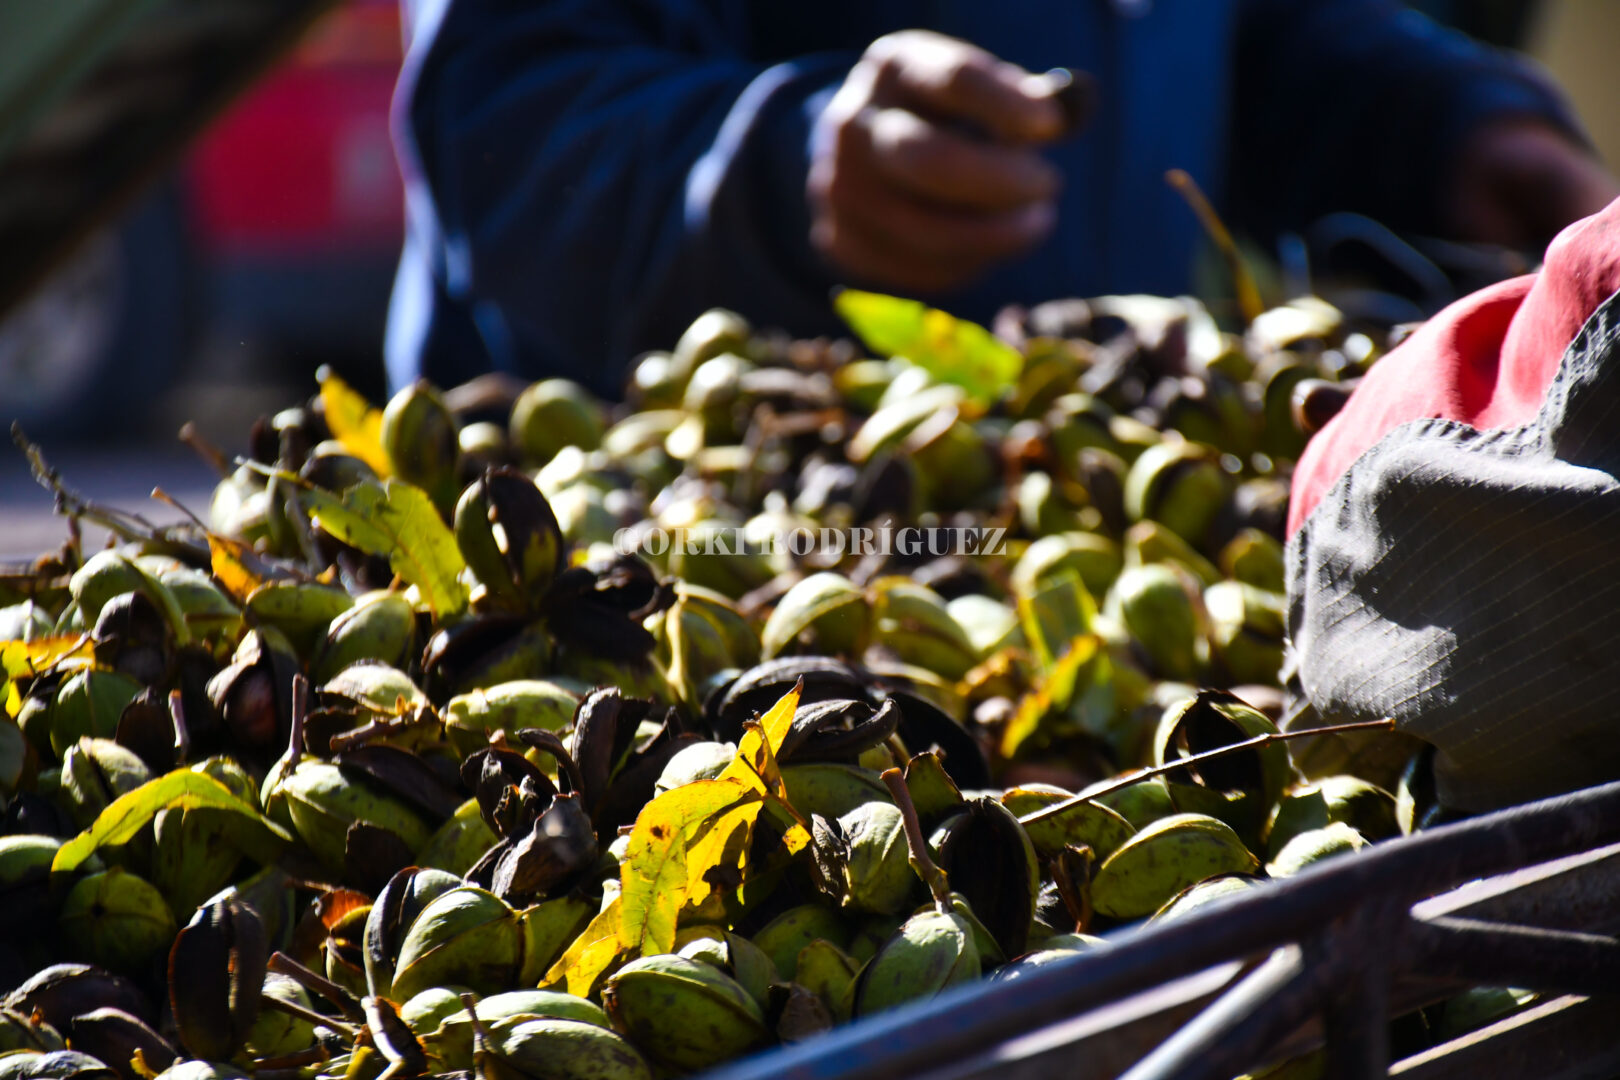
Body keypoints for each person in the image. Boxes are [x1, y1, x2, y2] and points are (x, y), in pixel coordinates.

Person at [384, 0, 1616, 401]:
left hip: (1043, 540)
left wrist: (1447, 130)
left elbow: (1236, 32)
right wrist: (788, 170)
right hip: (636, 563)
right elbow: (505, 108)